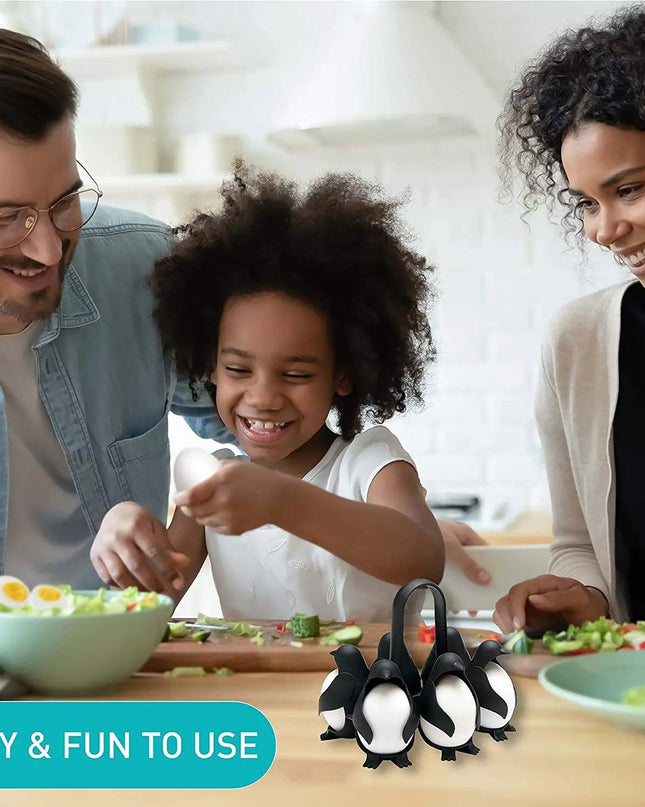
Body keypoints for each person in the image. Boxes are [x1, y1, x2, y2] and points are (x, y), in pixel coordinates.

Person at [92, 164, 452, 621]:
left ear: (343, 375)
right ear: (210, 367)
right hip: (256, 693)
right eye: (238, 368)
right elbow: (143, 613)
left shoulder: (370, 461)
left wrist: (282, 500)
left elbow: (422, 558)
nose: (262, 396)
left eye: (296, 375)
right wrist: (121, 538)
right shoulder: (213, 486)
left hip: (373, 688)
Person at [0, 28, 233, 593]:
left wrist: (372, 508)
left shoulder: (146, 267)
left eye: (63, 203)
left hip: (120, 658)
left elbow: (269, 432)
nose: (49, 251)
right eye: (6, 219)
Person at [494, 5, 645, 632]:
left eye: (630, 190)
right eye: (587, 202)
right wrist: (585, 599)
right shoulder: (579, 343)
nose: (604, 229)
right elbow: (581, 544)